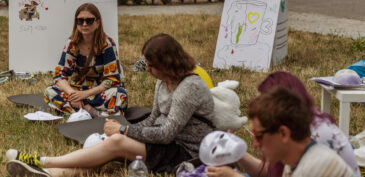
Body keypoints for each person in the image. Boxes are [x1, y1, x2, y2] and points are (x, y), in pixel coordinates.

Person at [6, 33, 215, 177]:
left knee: (116, 143)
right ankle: (51, 173)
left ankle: (43, 161)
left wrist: (124, 130)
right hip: (166, 144)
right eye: (147, 64)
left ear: (169, 63)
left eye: (153, 65)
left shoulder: (190, 87)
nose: (148, 69)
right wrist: (126, 132)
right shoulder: (163, 81)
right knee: (108, 150)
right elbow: (152, 120)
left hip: (187, 152)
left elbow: (168, 133)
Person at [206, 71, 361, 177]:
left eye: (259, 135)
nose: (254, 143)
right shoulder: (297, 157)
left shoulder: (315, 165)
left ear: (284, 133)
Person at [43, 3, 127, 117]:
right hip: (78, 89)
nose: (84, 24)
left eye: (89, 20)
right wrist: (73, 94)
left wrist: (84, 95)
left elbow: (112, 80)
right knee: (49, 91)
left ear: (98, 23)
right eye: (80, 20)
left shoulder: (107, 45)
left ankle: (81, 110)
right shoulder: (71, 44)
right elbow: (59, 75)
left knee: (120, 94)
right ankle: (95, 112)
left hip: (99, 91)